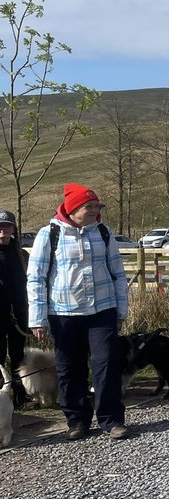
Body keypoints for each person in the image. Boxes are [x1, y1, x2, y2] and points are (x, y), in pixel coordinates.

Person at [26, 184, 130, 440]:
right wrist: (37, 318)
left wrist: (121, 310)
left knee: (106, 363)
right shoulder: (49, 234)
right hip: (63, 313)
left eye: (97, 207)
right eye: (89, 207)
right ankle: (77, 420)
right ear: (73, 209)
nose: (95, 211)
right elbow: (36, 278)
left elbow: (118, 273)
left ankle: (111, 420)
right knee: (69, 368)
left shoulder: (104, 233)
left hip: (102, 310)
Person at [0, 209, 28, 406]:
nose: (4, 229)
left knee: (19, 354)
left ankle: (20, 395)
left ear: (14, 229)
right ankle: (2, 398)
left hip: (18, 311)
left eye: (8, 225)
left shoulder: (21, 254)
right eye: (0, 226)